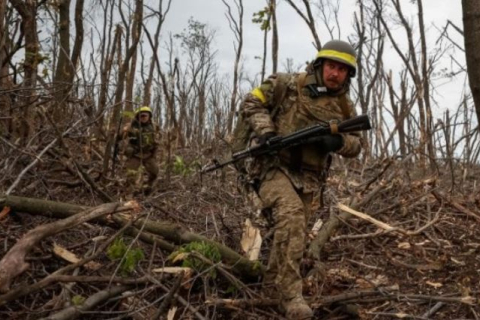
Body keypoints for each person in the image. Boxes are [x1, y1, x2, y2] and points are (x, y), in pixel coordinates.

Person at [238, 40, 363, 319]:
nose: (335, 74)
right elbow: (252, 101)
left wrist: (336, 142)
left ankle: (271, 287)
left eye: (342, 70)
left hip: (310, 179)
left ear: (348, 75)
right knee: (292, 216)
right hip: (274, 167)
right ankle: (291, 297)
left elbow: (356, 145)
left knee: (294, 233)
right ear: (320, 65)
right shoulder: (287, 84)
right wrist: (266, 131)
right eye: (331, 66)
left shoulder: (344, 106)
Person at [122, 106, 159, 196]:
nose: (143, 118)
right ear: (138, 116)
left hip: (148, 154)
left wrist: (155, 152)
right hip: (135, 154)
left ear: (149, 116)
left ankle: (148, 189)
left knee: (154, 172)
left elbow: (157, 140)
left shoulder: (154, 127)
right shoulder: (131, 126)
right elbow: (121, 139)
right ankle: (129, 194)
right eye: (141, 116)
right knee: (130, 175)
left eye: (145, 116)